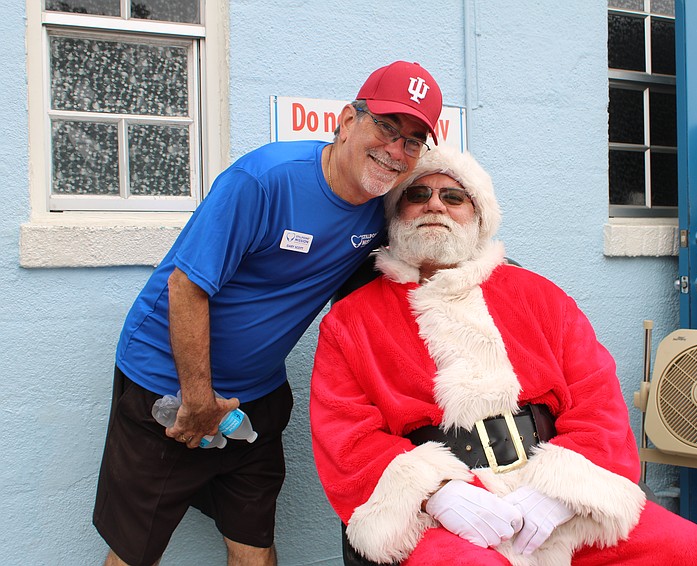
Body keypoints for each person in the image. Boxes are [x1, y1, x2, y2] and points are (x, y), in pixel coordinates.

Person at [92, 60, 443, 566]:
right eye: (386, 127)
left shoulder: (381, 210)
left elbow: (431, 246)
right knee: (135, 550)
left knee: (254, 545)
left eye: (412, 141)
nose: (395, 150)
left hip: (256, 397)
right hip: (167, 386)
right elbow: (185, 286)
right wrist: (197, 400)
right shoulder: (263, 180)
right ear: (347, 120)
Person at [310, 146, 697, 565]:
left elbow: (597, 400)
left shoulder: (540, 296)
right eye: (417, 195)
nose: (434, 204)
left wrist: (563, 492)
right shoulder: (350, 320)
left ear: (479, 217)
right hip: (437, 517)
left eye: (453, 196)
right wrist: (435, 493)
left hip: (555, 495)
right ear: (395, 214)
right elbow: (346, 436)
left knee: (695, 552)